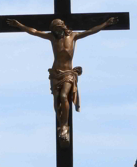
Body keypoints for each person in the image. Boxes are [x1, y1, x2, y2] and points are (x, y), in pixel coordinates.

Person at [7, 16, 118, 145]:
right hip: (55, 73)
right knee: (56, 99)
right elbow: (35, 32)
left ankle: (65, 125)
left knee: (64, 95)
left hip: (68, 74)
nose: (57, 33)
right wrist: (19, 25)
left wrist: (105, 23)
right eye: (54, 31)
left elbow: (90, 31)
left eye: (58, 30)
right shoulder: (52, 38)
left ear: (63, 28)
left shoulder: (73, 36)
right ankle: (61, 123)